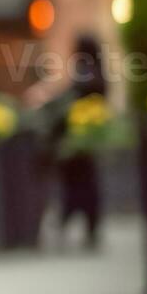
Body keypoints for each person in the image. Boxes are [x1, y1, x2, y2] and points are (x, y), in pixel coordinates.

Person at [50, 34, 108, 249]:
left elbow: (74, 96)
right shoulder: (100, 70)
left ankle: (67, 222)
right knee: (87, 183)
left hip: (77, 138)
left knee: (76, 184)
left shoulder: (86, 71)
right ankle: (88, 228)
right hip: (89, 136)